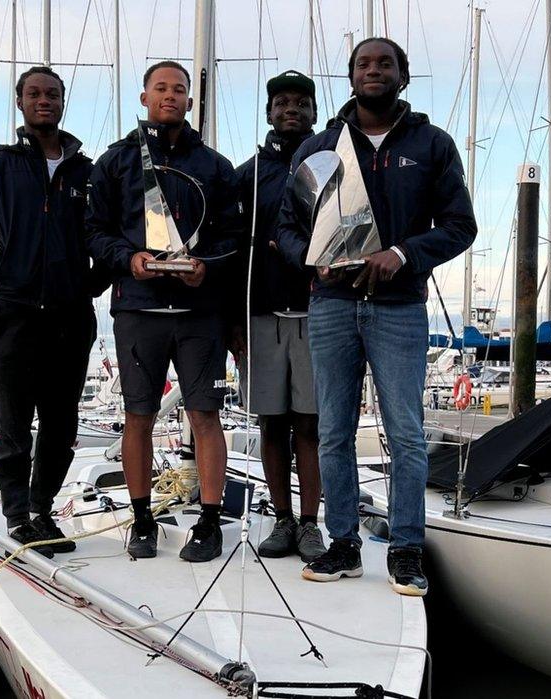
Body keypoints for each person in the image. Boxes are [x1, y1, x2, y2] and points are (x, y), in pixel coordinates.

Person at [277, 38, 476, 595]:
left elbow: (460, 225)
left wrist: (402, 254)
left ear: (403, 75)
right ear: (350, 76)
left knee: (406, 434)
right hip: (332, 305)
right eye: (364, 63)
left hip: (399, 308)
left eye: (384, 63)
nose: (374, 71)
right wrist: (314, 262)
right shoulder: (319, 148)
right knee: (334, 432)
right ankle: (344, 545)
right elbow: (285, 230)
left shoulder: (431, 145)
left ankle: (407, 549)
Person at [86, 60, 239, 563]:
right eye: (161, 88)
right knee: (138, 416)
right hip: (139, 309)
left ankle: (210, 523)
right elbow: (95, 231)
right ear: (144, 96)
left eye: (179, 90)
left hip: (199, 312)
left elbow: (232, 237)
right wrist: (127, 260)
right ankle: (143, 520)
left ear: (190, 102)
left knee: (204, 414)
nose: (170, 96)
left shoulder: (214, 166)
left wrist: (206, 268)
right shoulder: (114, 163)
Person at [0, 66, 105, 557]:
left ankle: (42, 508)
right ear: (19, 102)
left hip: (70, 317)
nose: (45, 101)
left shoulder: (88, 172)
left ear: (63, 102)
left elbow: (107, 236)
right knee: (14, 426)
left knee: (61, 428)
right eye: (35, 94)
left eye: (53, 94)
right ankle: (18, 514)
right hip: (14, 314)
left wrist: (92, 282)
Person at [232, 70, 326, 563]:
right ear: (269, 112)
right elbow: (229, 251)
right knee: (272, 425)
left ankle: (311, 524)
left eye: (302, 103)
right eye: (282, 102)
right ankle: (283, 520)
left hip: (319, 313)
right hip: (260, 314)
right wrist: (233, 321)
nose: (291, 109)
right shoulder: (247, 174)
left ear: (314, 110)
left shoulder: (335, 164)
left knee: (310, 426)